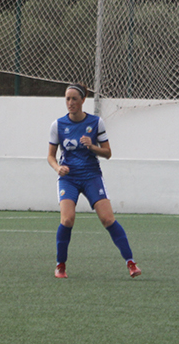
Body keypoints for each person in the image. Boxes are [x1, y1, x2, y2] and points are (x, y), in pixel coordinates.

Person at [47, 83, 141, 279]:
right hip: (69, 179)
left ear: (83, 100)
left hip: (91, 176)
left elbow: (107, 153)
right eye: (67, 99)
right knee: (67, 219)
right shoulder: (58, 125)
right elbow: (50, 156)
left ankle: (131, 263)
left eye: (74, 99)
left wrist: (92, 146)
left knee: (107, 219)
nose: (70, 103)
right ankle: (60, 265)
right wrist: (58, 168)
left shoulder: (96, 122)